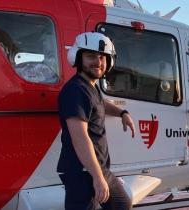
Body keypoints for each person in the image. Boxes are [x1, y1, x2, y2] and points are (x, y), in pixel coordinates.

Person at [57, 32, 135, 210]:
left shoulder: (89, 87)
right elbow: (80, 137)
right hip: (82, 170)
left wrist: (122, 112)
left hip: (95, 168)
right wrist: (97, 177)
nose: (98, 62)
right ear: (78, 58)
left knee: (121, 204)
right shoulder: (75, 90)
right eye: (91, 56)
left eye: (102, 57)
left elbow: (100, 104)